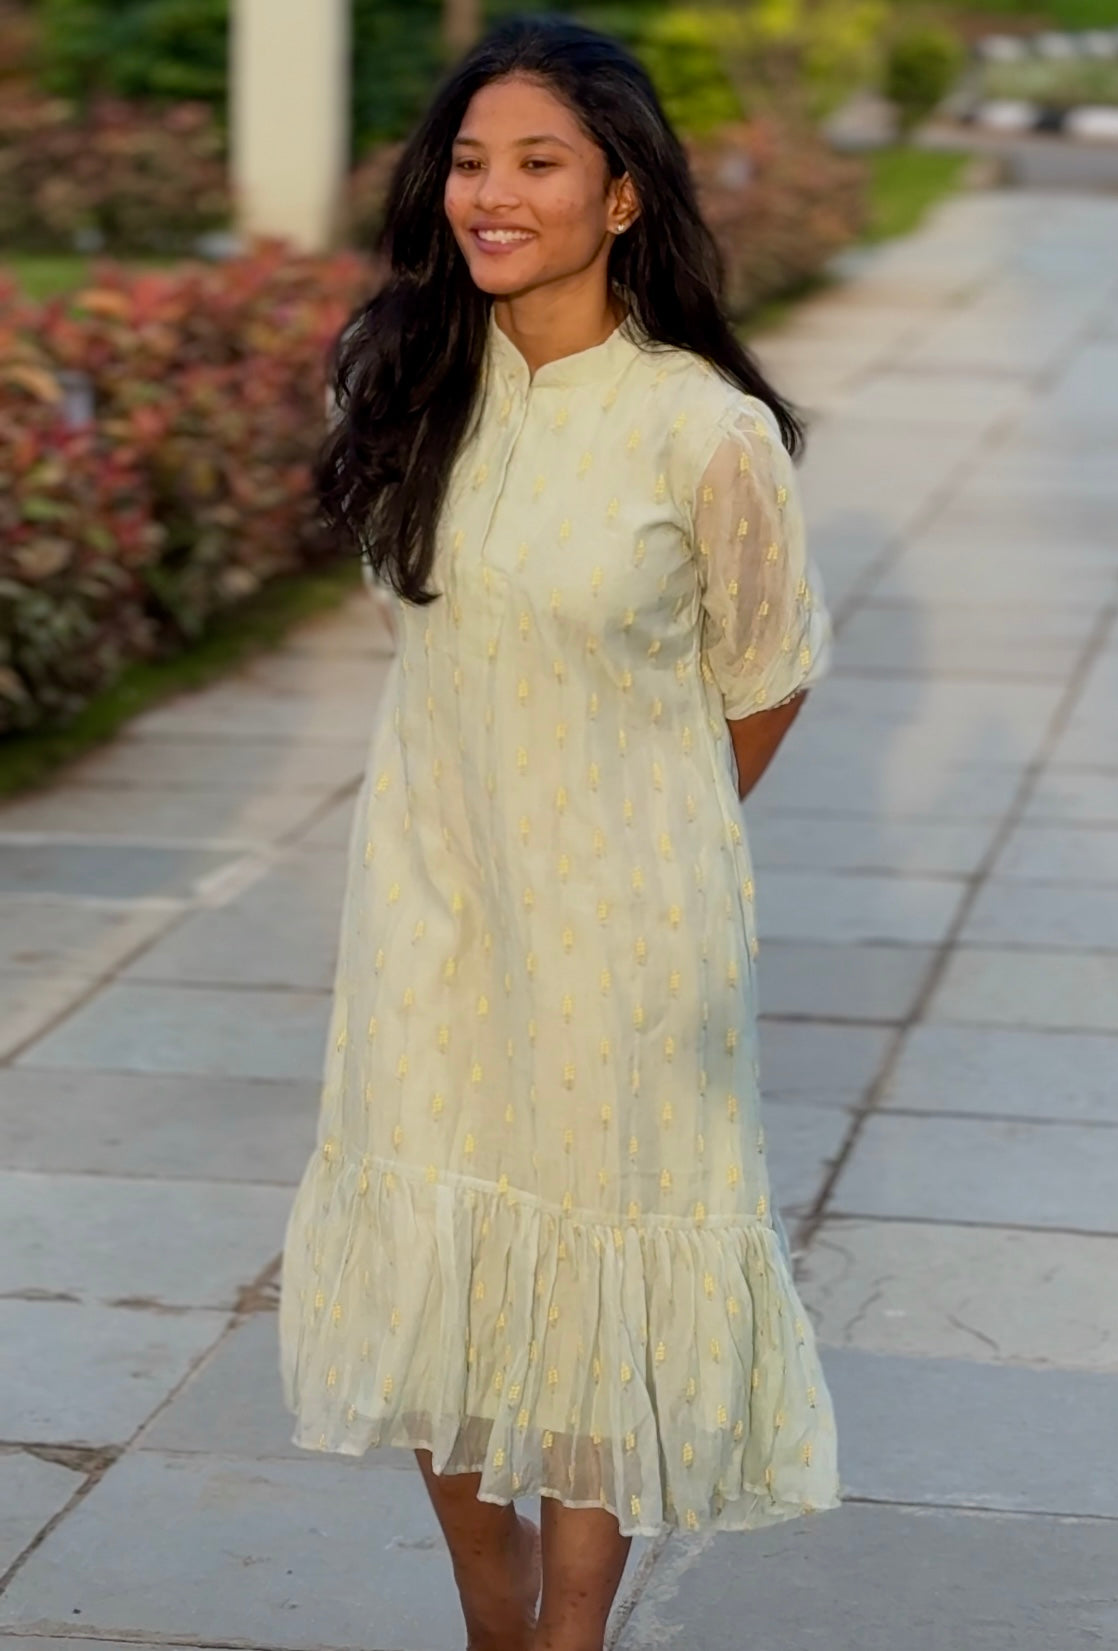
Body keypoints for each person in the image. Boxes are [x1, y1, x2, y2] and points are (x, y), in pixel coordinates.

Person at [279, 16, 840, 1650]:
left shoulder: (701, 432)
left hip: (625, 940)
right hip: (428, 912)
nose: (489, 194)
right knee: (435, 1263)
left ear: (619, 200)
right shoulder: (407, 380)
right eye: (468, 160)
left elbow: (765, 675)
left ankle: (571, 1643)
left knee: (594, 1282)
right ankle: (491, 1614)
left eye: (536, 162)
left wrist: (637, 849)